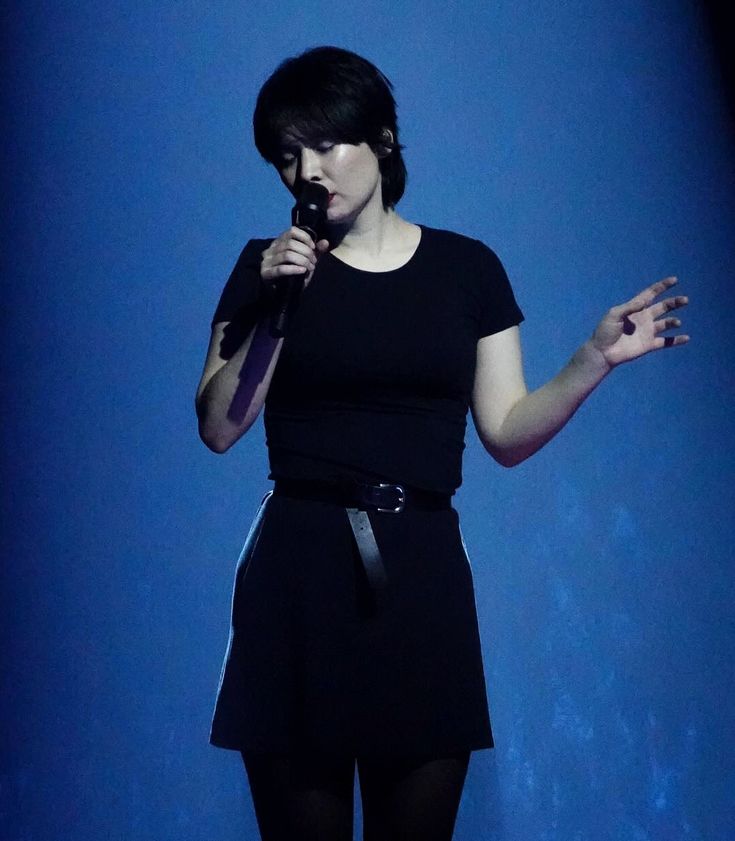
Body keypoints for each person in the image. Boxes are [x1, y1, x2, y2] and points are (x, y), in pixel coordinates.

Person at [195, 46, 689, 841]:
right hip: (298, 571)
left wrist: (591, 360)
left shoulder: (467, 270)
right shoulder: (263, 269)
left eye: (325, 144)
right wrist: (277, 306)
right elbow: (219, 424)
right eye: (287, 156)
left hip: (418, 573)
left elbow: (505, 431)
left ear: (382, 139)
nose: (306, 170)